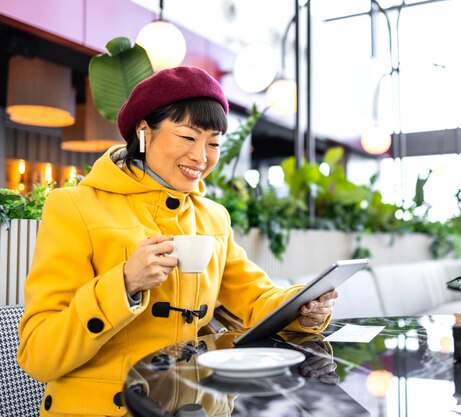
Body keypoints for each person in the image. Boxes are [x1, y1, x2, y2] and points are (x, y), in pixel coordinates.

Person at [17, 66, 339, 417]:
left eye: (214, 143)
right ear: (144, 132)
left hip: (202, 407)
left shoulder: (213, 217)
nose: (202, 157)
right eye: (188, 137)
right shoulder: (74, 206)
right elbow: (38, 354)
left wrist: (304, 309)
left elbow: (257, 299)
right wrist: (123, 285)